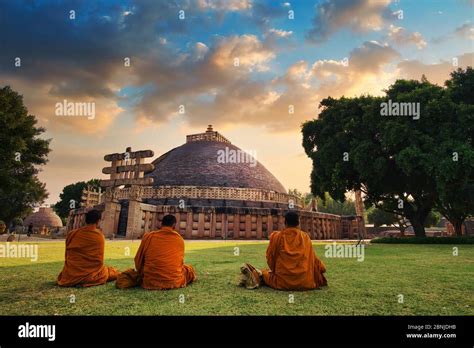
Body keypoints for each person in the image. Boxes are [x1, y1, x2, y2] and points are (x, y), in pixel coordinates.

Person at [239, 211, 327, 291]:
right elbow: (315, 261)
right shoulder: (305, 237)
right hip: (305, 282)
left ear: (285, 223)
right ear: (298, 223)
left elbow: (270, 259)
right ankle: (256, 275)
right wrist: (322, 268)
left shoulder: (277, 237)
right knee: (266, 273)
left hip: (282, 282)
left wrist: (274, 270)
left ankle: (256, 275)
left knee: (265, 273)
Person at [119, 214, 196, 290]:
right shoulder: (179, 239)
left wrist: (143, 271)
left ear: (161, 224)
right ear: (174, 226)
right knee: (189, 270)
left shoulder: (149, 236)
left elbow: (138, 260)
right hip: (174, 282)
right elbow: (179, 264)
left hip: (150, 281)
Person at [57, 209, 119, 287]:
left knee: (110, 270)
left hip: (71, 274)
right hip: (90, 274)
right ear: (98, 221)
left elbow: (67, 254)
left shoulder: (72, 234)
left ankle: (78, 278)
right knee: (113, 273)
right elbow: (99, 262)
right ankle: (84, 280)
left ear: (86, 220)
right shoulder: (99, 236)